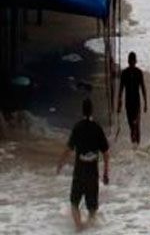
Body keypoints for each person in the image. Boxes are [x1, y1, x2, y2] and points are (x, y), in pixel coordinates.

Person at [57, 98, 110, 231]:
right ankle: (89, 230)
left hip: (79, 172)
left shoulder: (78, 127)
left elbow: (68, 149)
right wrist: (105, 173)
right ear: (92, 110)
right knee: (92, 208)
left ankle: (79, 228)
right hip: (92, 173)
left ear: (82, 111)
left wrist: (60, 164)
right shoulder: (97, 128)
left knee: (74, 203)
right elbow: (106, 153)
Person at [117, 52, 147, 146]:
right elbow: (143, 88)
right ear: (135, 61)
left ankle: (135, 146)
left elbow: (121, 90)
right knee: (134, 126)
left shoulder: (126, 73)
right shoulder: (136, 72)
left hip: (130, 103)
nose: (132, 63)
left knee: (134, 126)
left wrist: (119, 102)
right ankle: (136, 145)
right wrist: (146, 103)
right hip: (133, 103)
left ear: (128, 61)